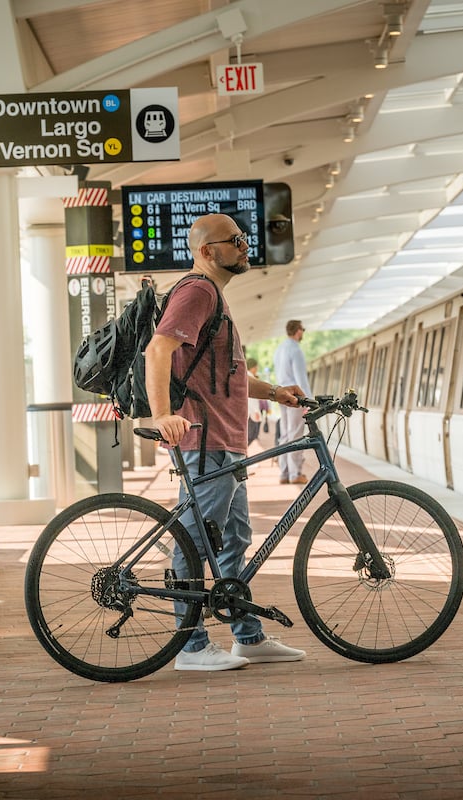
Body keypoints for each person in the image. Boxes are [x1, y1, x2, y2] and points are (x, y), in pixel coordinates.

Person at [146, 214, 307, 672]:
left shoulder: (216, 298)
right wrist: (162, 416)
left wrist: (277, 392)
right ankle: (190, 646)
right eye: (235, 241)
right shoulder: (197, 291)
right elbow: (157, 350)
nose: (245, 246)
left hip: (228, 443)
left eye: (244, 239)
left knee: (233, 540)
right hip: (205, 442)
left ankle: (247, 637)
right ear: (207, 251)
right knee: (194, 543)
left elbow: (232, 373)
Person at [273, 319, 312, 484]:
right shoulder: (295, 350)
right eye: (302, 329)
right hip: (296, 397)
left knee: (285, 435)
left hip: (281, 394)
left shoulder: (279, 349)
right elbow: (300, 378)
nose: (302, 332)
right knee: (296, 434)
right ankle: (295, 474)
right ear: (298, 331)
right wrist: (308, 401)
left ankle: (284, 472)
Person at [245, 357, 270, 447]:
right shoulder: (250, 378)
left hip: (250, 411)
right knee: (251, 435)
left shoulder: (247, 376)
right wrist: (255, 411)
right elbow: (251, 399)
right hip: (251, 411)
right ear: (253, 367)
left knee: (251, 435)